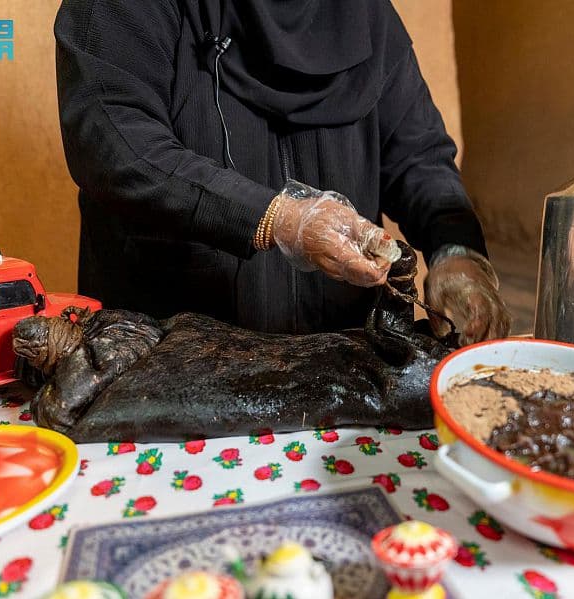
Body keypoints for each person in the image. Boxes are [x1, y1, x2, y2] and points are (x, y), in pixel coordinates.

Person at [55, 0, 510, 344]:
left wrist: (455, 249)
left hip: (340, 366)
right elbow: (115, 142)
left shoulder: (364, 13)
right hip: (171, 362)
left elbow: (418, 154)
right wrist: (277, 218)